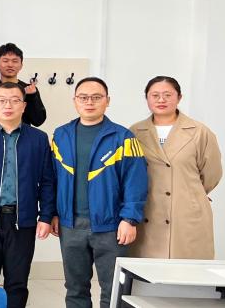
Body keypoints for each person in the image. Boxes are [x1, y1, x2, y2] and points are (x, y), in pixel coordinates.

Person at [52, 77, 147, 308]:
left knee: (113, 289)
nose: (89, 102)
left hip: (111, 226)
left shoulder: (123, 137)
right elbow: (52, 178)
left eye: (96, 97)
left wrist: (129, 219)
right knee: (75, 289)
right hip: (70, 225)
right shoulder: (60, 135)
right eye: (83, 97)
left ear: (107, 101)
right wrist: (52, 213)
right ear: (75, 100)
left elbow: (135, 181)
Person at [0, 82, 56, 308]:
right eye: (2, 100)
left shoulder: (38, 138)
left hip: (22, 221)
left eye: (15, 100)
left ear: (24, 106)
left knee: (17, 282)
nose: (8, 105)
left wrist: (45, 216)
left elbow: (47, 180)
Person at [130, 76, 222, 259]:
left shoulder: (199, 132)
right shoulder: (134, 132)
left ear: (179, 97)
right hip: (148, 210)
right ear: (147, 98)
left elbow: (212, 173)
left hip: (185, 212)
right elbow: (128, 173)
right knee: (147, 270)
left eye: (167, 95)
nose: (161, 100)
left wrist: (189, 193)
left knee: (186, 267)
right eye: (155, 95)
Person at [0, 43, 46, 127]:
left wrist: (31, 97)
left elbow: (38, 121)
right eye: (5, 61)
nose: (10, 65)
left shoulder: (29, 89)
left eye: (15, 61)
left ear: (21, 65)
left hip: (22, 134)